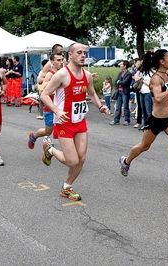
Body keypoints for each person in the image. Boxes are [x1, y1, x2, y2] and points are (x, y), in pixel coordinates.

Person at [40, 43, 109, 201]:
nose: (83, 55)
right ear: (69, 55)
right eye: (79, 52)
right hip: (64, 122)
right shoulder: (62, 75)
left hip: (80, 121)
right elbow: (44, 95)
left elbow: (92, 93)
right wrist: (57, 110)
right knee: (72, 161)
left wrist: (100, 106)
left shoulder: (87, 75)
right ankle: (50, 150)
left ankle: (67, 187)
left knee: (82, 158)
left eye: (84, 52)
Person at [118, 49, 168, 187]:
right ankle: (126, 161)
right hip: (156, 120)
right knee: (144, 146)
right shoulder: (156, 78)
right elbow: (158, 98)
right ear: (162, 62)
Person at [28, 53, 64, 149]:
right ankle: (33, 136)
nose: (61, 62)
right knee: (48, 131)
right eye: (58, 60)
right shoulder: (50, 74)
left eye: (62, 60)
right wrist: (54, 91)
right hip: (50, 108)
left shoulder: (65, 73)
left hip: (61, 108)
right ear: (52, 62)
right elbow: (42, 90)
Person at [134, 52, 154, 130]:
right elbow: (136, 77)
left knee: (149, 110)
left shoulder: (152, 73)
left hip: (148, 92)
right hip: (141, 92)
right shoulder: (143, 72)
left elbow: (151, 84)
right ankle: (145, 124)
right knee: (143, 110)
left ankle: (151, 124)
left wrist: (142, 81)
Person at [109, 60, 132, 126]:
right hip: (119, 91)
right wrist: (119, 82)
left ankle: (127, 120)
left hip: (125, 92)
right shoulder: (120, 73)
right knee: (118, 106)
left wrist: (119, 82)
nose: (120, 65)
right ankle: (116, 120)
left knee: (125, 106)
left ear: (125, 66)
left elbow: (125, 82)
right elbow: (116, 81)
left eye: (122, 64)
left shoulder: (129, 74)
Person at [131, 58, 143, 128]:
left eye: (139, 64)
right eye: (137, 64)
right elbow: (136, 77)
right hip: (139, 89)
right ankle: (139, 121)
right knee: (139, 105)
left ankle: (146, 122)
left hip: (146, 90)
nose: (138, 65)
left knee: (145, 107)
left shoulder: (146, 70)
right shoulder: (137, 71)